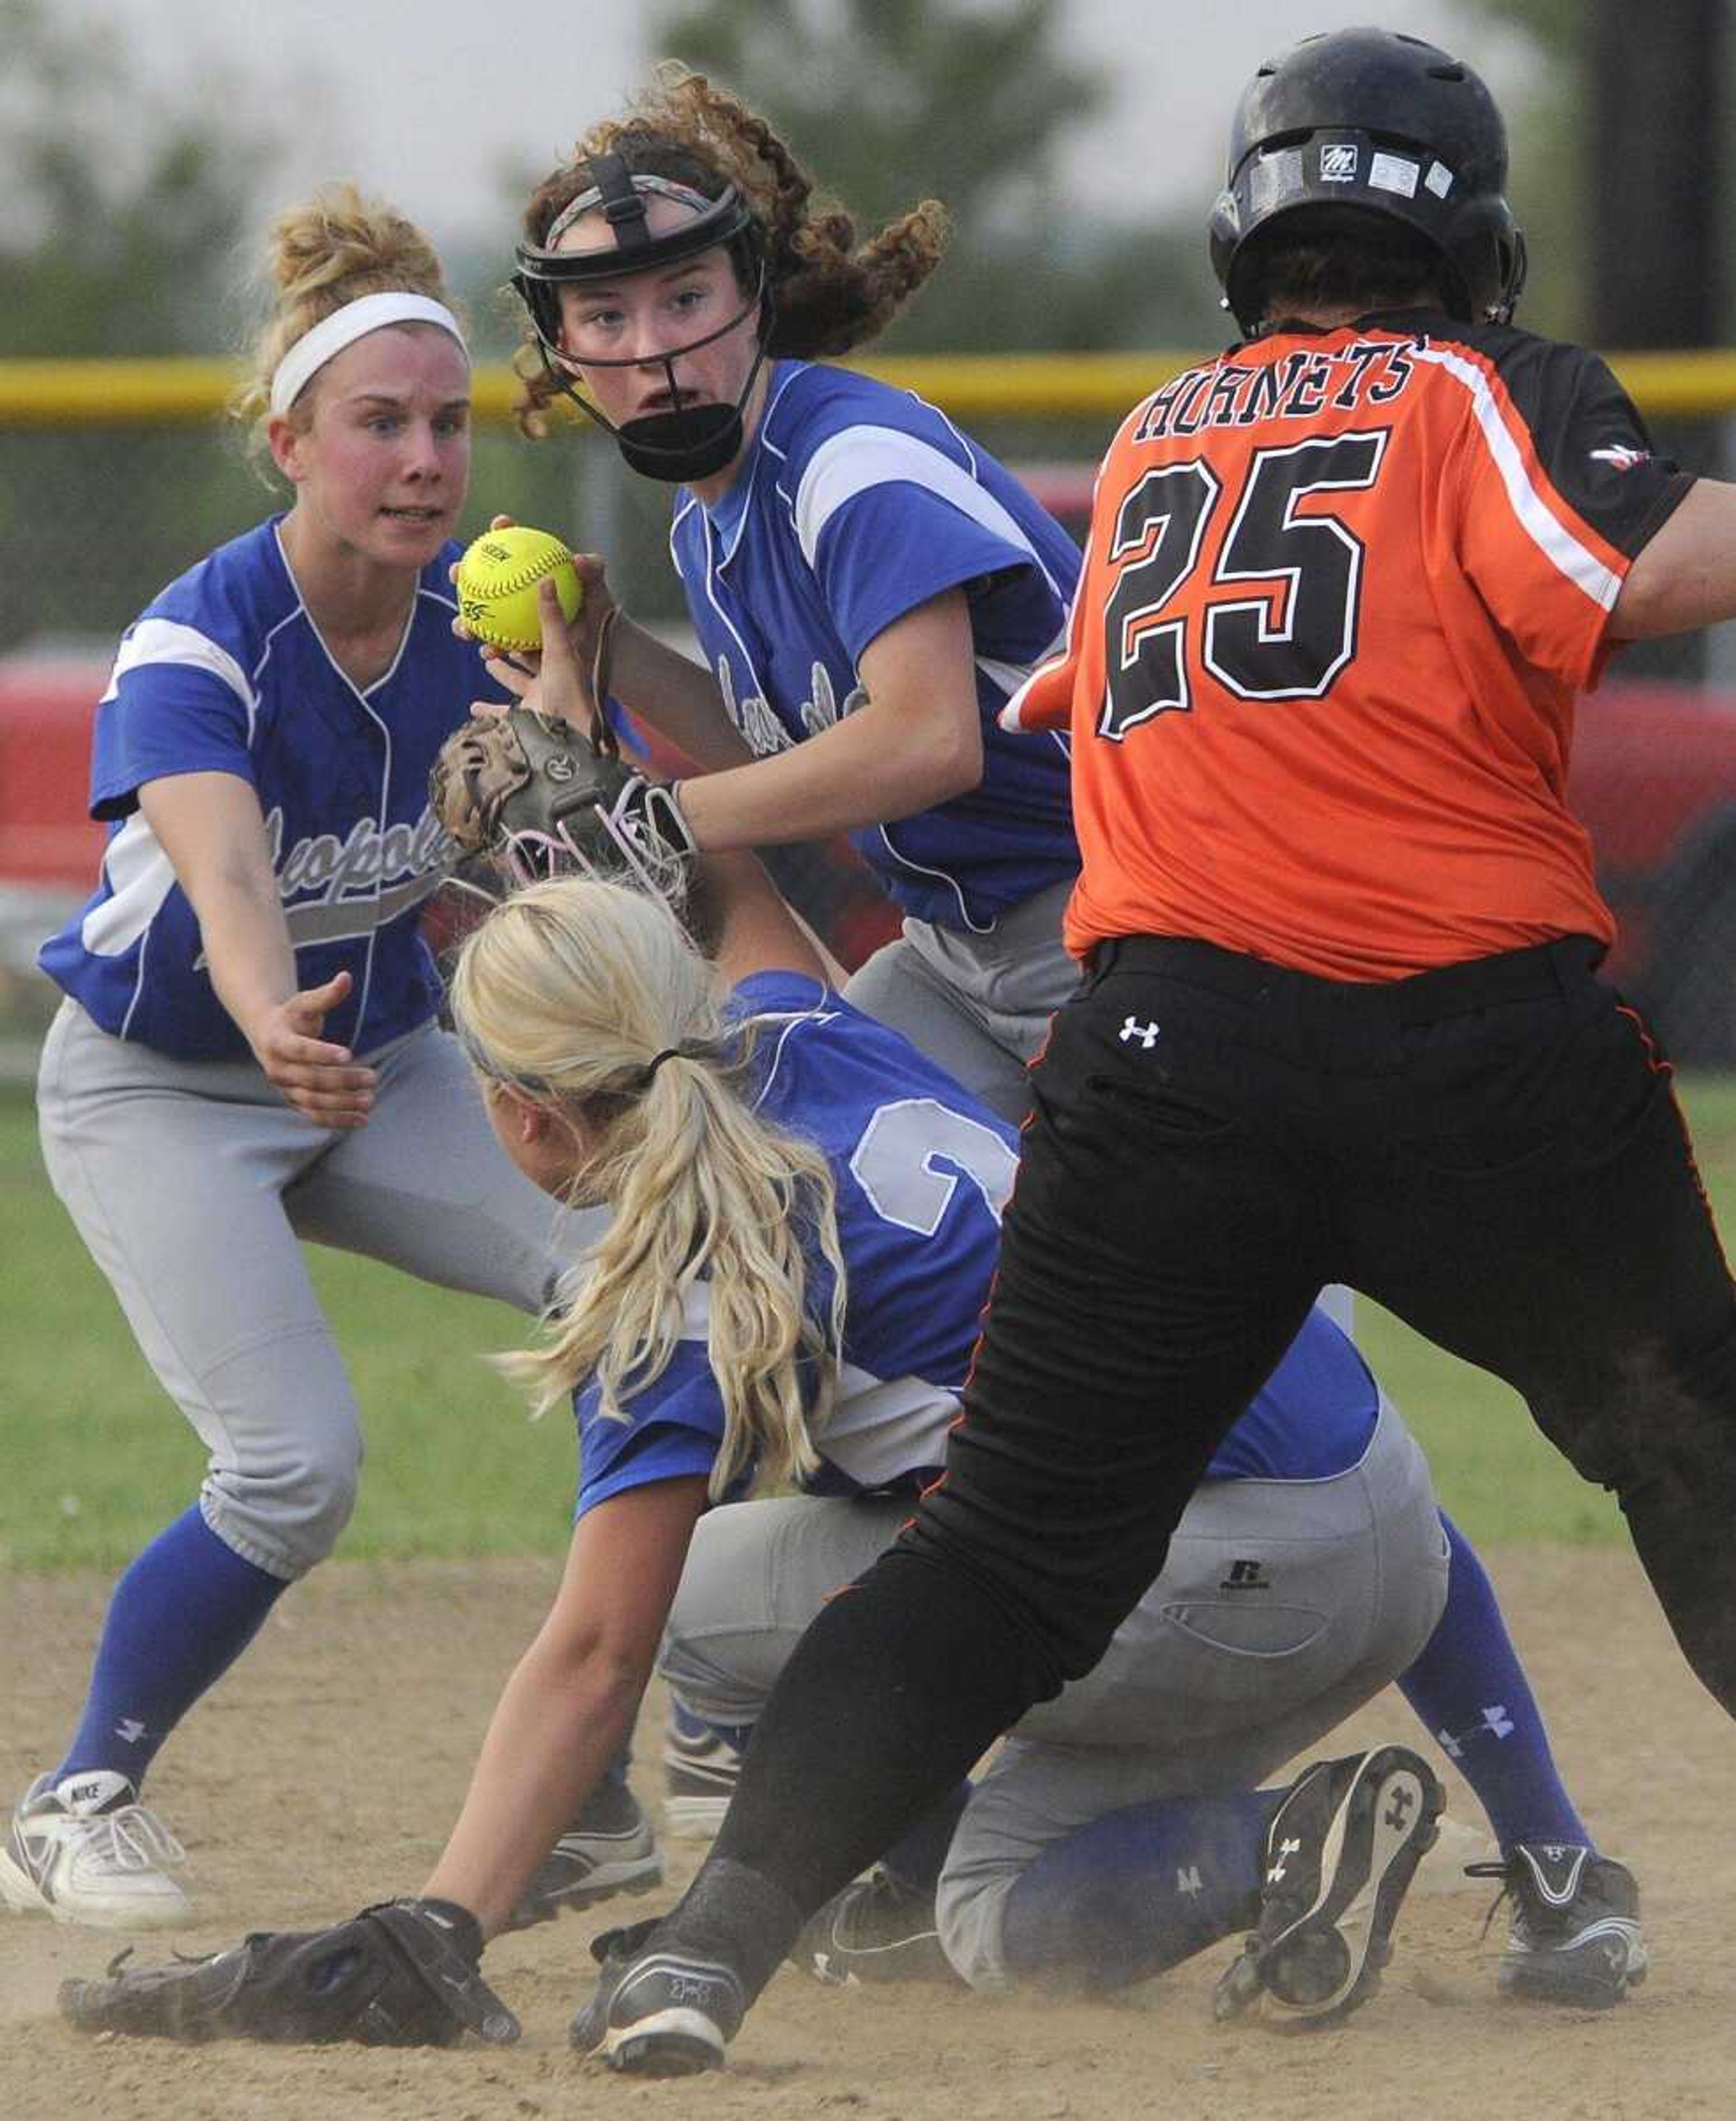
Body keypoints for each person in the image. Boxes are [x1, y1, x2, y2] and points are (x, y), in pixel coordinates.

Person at [564, 26, 1736, 2072]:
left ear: (1240, 238)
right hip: (1468, 1052)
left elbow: (1072, 701)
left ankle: (709, 1945)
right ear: (1476, 246)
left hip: (1160, 1058)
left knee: (1004, 1555)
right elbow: (1644, 568)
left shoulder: (1168, 430)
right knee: (1685, 1450)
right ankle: (1551, 1850)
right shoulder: (1486, 383)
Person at [55, 647, 1638, 2046]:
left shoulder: (674, 1260)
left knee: (929, 1836)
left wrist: (446, 1915)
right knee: (929, 1487)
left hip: (1217, 1580)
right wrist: (627, 777)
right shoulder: (810, 1029)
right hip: (1388, 1525)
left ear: (528, 1121)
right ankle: (1038, 1844)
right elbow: (735, 902)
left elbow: (598, 1650)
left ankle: (1262, 1842)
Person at [0, 184, 654, 1933]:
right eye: (378, 423)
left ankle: (594, 1785)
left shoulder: (481, 624)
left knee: (643, 1283)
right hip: (166, 1084)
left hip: (383, 1061)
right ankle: (73, 1796)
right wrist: (269, 996)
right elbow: (220, 864)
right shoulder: (199, 639)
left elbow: (587, 844)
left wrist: (576, 714)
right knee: (293, 1464)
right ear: (289, 441)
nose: (423, 457)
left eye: (446, 422)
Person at [504, 66, 1084, 1128]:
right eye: (605, 315)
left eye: (684, 297)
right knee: (777, 1181)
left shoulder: (844, 465)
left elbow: (926, 744)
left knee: (1168, 1292)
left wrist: (657, 821)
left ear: (753, 295)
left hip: (1121, 932)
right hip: (957, 960)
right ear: (563, 349)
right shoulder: (709, 511)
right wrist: (609, 649)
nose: (653, 351)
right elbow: (793, 760)